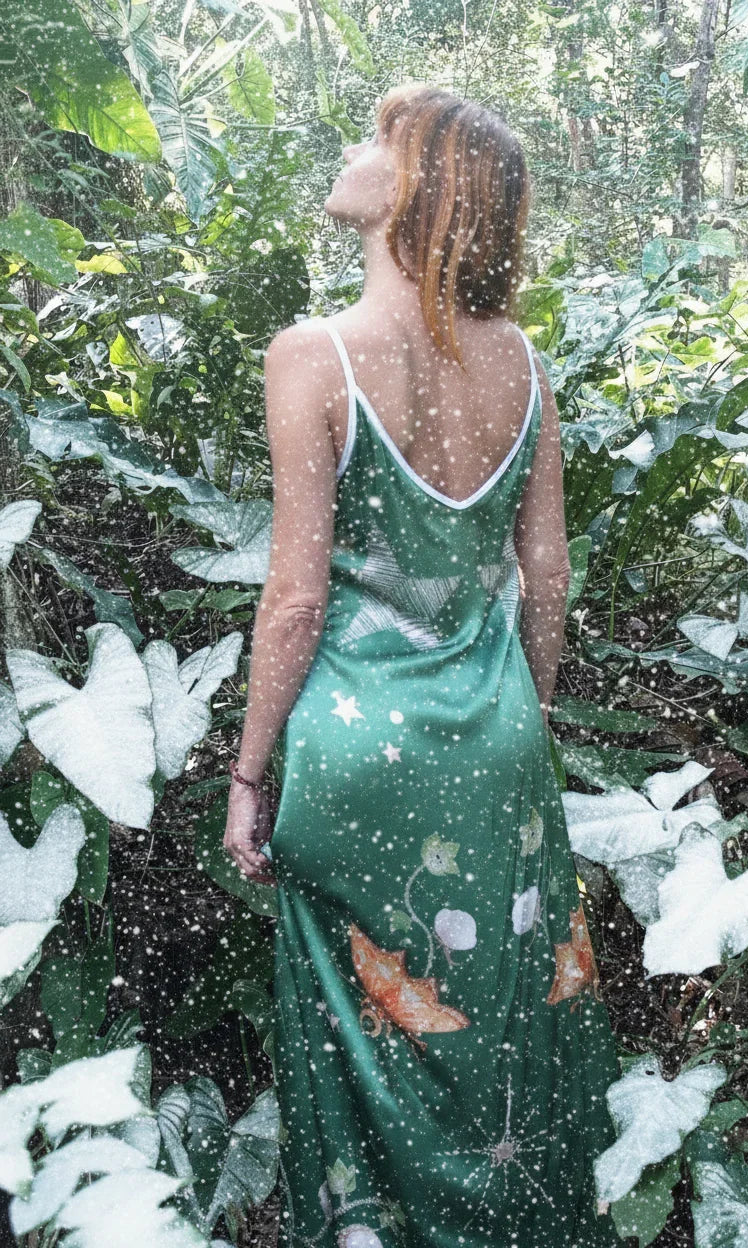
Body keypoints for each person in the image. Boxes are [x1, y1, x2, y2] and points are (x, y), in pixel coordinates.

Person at [223, 84, 622, 1248]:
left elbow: (296, 598)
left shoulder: (314, 356)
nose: (350, 149)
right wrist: (520, 716)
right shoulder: (524, 365)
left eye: (377, 138)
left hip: (354, 751)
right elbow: (544, 579)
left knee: (361, 1021)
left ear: (417, 188)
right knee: (503, 1010)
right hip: (495, 738)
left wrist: (251, 776)